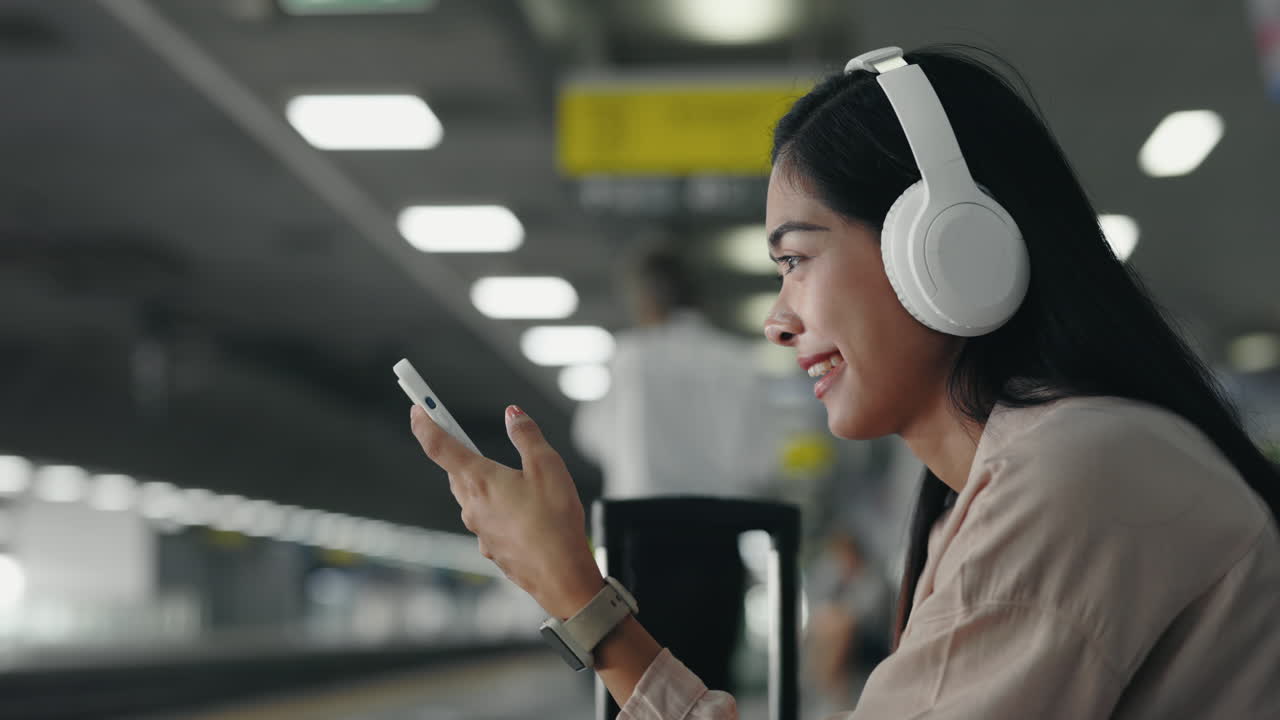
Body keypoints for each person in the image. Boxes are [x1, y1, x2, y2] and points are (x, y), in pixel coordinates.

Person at [407, 44, 1280, 718]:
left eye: (797, 260)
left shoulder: (1078, 475)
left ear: (943, 249)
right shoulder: (1035, 471)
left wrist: (577, 595)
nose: (777, 319)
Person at [568, 246, 777, 692]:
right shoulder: (738, 361)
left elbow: (592, 437)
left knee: (640, 687)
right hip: (719, 542)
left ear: (645, 298)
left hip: (643, 544)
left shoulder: (630, 358)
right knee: (709, 685)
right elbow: (761, 462)